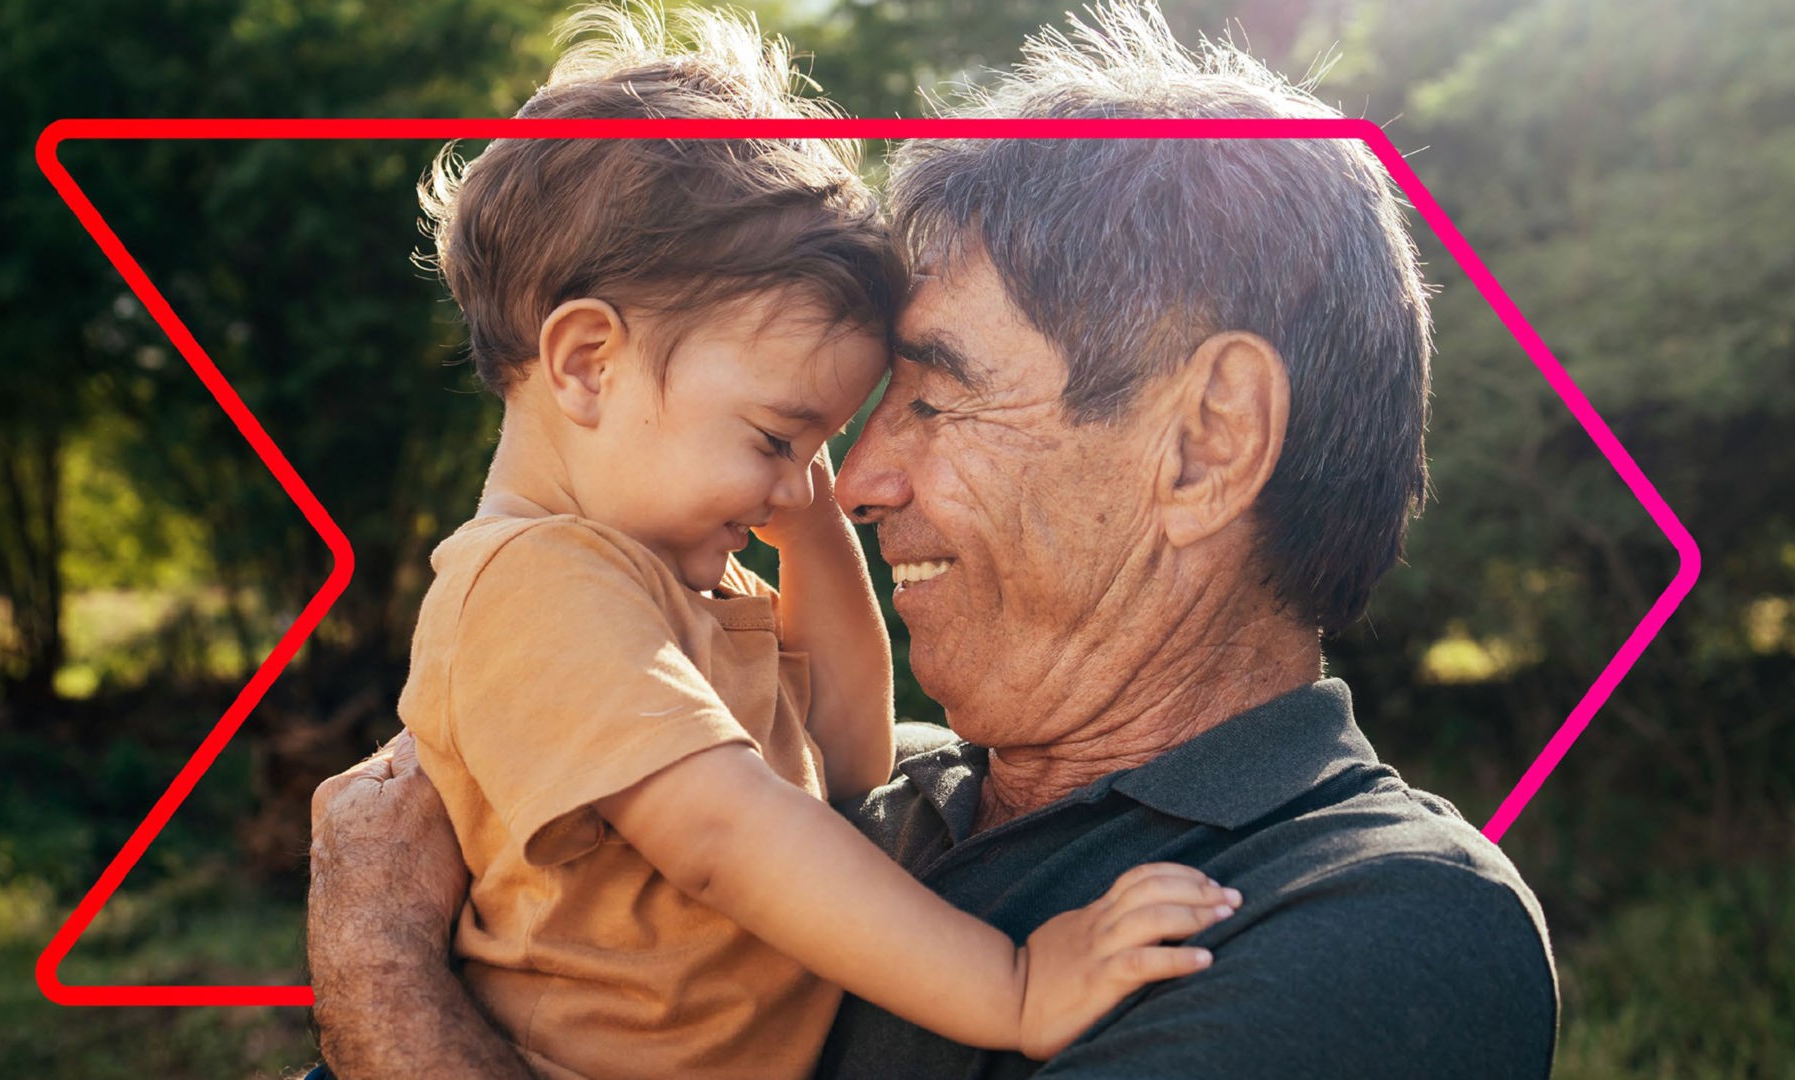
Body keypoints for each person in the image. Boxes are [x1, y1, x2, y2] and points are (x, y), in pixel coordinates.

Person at [307, 2, 1560, 1077]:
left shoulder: (1376, 918)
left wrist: (378, 970)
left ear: (1206, 442)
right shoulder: (869, 794)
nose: (850, 482)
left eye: (938, 393)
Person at [364, 7, 1243, 1080]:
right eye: (781, 438)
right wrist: (1011, 988)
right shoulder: (534, 586)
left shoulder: (675, 585)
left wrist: (816, 538)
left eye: (817, 450)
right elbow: (730, 836)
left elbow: (850, 761)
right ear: (590, 364)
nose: (807, 482)